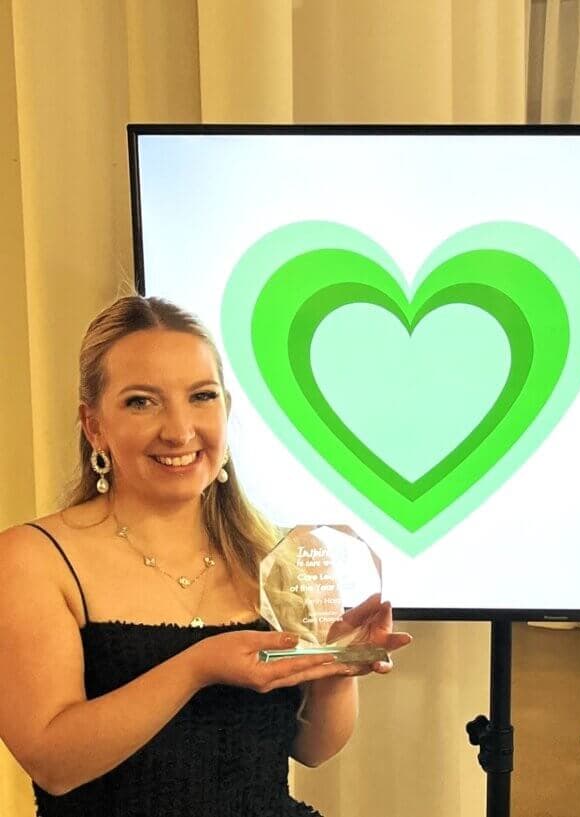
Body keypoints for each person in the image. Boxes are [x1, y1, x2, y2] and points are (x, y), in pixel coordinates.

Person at [0, 296, 412, 816]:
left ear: (226, 409)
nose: (179, 430)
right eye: (141, 402)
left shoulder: (286, 555)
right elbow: (54, 764)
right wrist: (198, 667)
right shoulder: (33, 559)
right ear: (94, 426)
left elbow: (313, 750)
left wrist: (336, 670)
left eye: (201, 396)